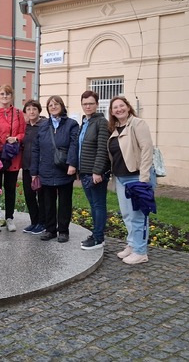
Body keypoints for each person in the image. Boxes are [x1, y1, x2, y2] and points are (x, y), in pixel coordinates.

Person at [107, 96, 154, 265]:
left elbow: (147, 149)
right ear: (111, 112)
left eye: (121, 106)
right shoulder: (115, 128)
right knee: (127, 215)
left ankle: (141, 252)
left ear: (128, 107)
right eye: (115, 107)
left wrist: (144, 178)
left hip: (136, 176)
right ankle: (133, 245)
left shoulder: (137, 124)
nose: (119, 109)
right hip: (121, 178)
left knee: (138, 216)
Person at [30, 96, 79, 243]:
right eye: (50, 105)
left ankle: (63, 231)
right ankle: (50, 229)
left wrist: (72, 164)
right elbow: (35, 149)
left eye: (56, 104)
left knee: (64, 202)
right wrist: (34, 172)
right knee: (48, 202)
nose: (53, 107)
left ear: (62, 106)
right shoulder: (44, 126)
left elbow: (74, 145)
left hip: (64, 169)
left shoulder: (71, 124)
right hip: (45, 169)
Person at [0, 84, 26, 233]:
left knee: (10, 188)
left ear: (12, 97)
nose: (5, 97)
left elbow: (23, 132)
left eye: (8, 94)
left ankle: (10, 218)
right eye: (2, 94)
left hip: (12, 155)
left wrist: (16, 138)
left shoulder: (18, 113)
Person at [78, 91, 112, 250]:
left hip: (95, 173)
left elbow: (102, 149)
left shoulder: (101, 123)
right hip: (85, 171)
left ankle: (98, 238)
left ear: (97, 104)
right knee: (93, 205)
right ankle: (96, 234)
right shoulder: (85, 122)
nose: (88, 106)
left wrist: (97, 171)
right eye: (85, 104)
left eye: (91, 103)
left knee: (98, 205)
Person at [21, 99, 47, 235]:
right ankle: (34, 221)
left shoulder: (44, 125)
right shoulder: (25, 127)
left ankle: (43, 223)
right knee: (29, 195)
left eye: (34, 109)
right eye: (29, 109)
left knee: (41, 196)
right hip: (26, 166)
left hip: (40, 167)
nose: (31, 112)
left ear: (39, 111)